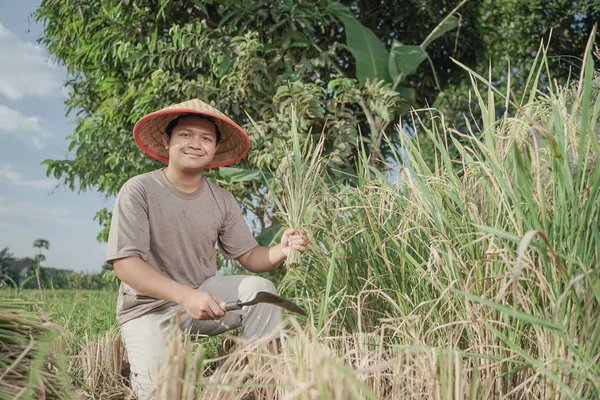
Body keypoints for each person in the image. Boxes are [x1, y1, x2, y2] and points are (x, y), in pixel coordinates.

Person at [106, 99, 309, 397]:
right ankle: (139, 353)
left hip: (204, 296)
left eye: (205, 138)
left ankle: (267, 387)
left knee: (261, 290)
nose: (195, 144)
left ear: (214, 148)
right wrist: (185, 296)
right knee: (163, 392)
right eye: (185, 135)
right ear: (167, 141)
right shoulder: (139, 190)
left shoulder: (222, 200)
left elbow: (251, 257)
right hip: (147, 306)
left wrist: (282, 248)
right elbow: (125, 265)